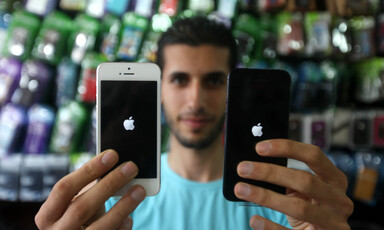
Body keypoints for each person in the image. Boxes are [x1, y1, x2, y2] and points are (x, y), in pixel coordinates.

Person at [35, 16, 353, 230]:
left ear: (233, 90)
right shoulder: (110, 198)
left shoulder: (289, 198)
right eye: (180, 80)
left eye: (214, 81)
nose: (196, 100)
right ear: (159, 88)